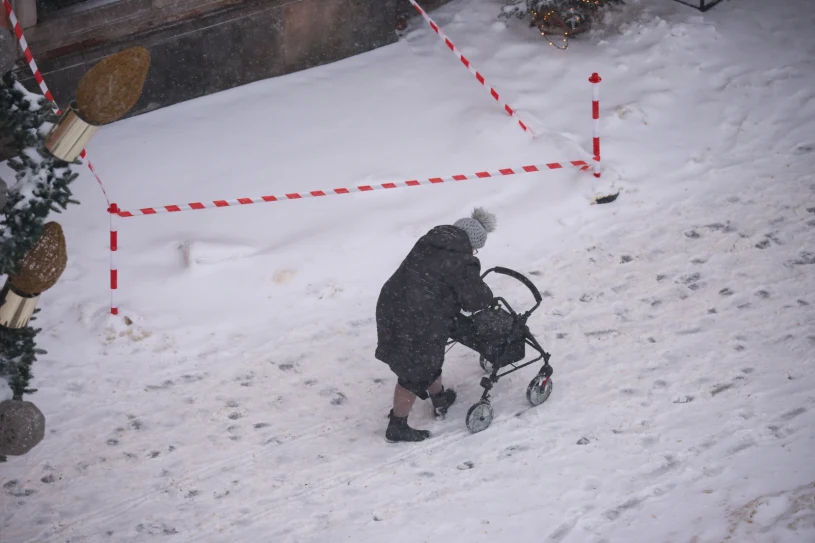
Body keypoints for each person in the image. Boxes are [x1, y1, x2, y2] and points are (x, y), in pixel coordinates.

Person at [375, 208, 497, 442]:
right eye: (476, 248)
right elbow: (474, 300)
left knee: (428, 357)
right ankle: (397, 426)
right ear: (472, 243)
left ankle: (439, 398)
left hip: (392, 303)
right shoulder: (462, 260)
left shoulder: (431, 240)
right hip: (418, 316)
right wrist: (486, 296)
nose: (474, 253)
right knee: (414, 369)